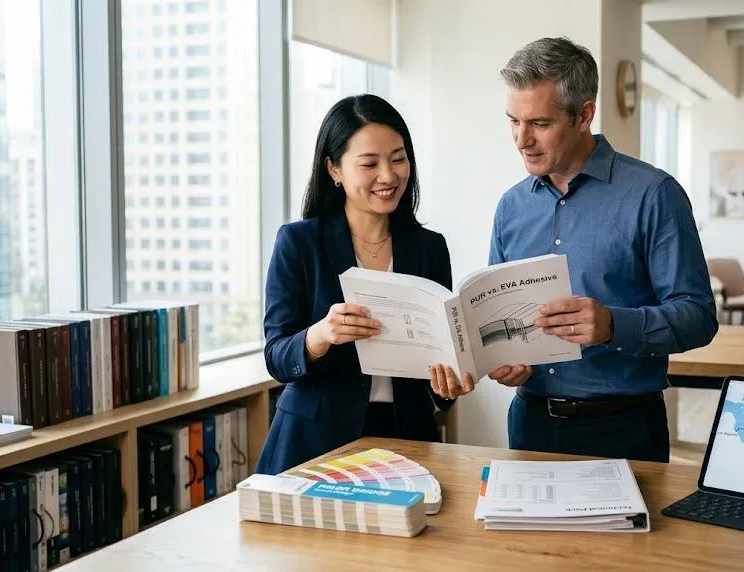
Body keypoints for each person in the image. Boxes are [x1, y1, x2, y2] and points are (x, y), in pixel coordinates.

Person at [455, 37, 718, 462]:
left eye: (539, 123)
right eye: (513, 121)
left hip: (624, 430)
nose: (522, 139)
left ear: (584, 115)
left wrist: (614, 325)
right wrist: (506, 362)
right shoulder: (511, 206)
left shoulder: (654, 195)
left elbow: (698, 317)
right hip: (530, 424)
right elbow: (498, 316)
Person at [255, 94, 473, 476]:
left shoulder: (429, 248)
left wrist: (447, 387)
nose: (388, 176)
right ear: (334, 169)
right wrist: (322, 334)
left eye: (398, 159)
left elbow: (438, 357)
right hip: (315, 442)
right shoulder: (299, 243)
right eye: (370, 164)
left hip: (407, 436)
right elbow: (277, 356)